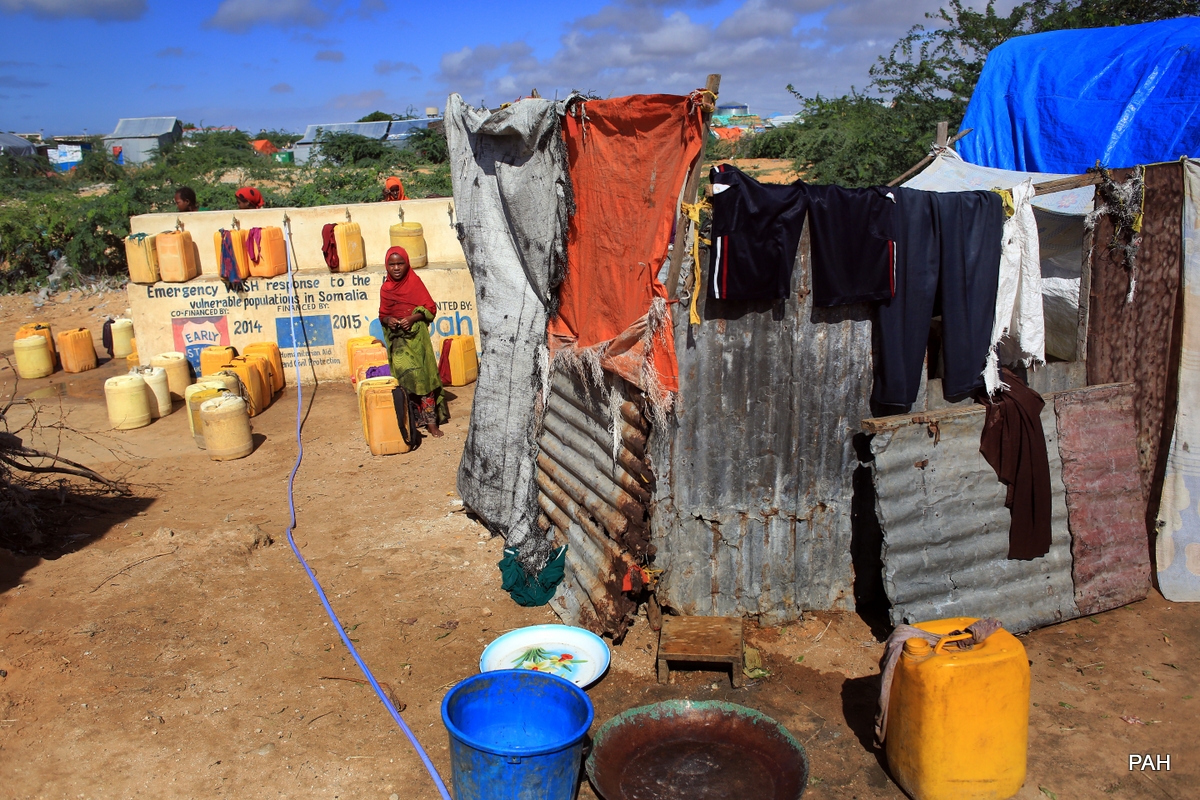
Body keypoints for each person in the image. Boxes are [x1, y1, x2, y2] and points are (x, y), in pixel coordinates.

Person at [378, 245, 448, 437]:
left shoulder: (415, 283)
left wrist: (412, 318)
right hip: (399, 343)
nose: (397, 268)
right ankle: (411, 419)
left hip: (417, 341)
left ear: (407, 264)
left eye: (400, 263)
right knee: (405, 380)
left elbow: (430, 309)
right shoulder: (386, 289)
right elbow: (382, 314)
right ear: (387, 266)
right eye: (392, 264)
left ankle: (431, 422)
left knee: (423, 379)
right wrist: (388, 320)